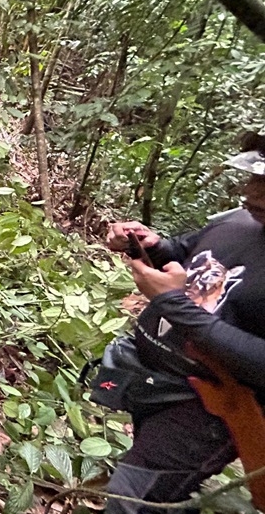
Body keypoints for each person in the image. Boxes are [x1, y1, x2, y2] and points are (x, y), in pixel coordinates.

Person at [101, 138, 265, 513]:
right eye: (255, 177)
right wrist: (150, 245)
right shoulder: (238, 222)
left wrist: (175, 303)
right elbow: (187, 252)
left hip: (212, 406)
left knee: (130, 497)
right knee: (153, 488)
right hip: (155, 378)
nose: (252, 190)